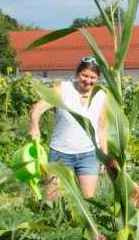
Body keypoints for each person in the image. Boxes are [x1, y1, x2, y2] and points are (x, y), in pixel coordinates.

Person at [29, 57, 110, 199]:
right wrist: (34, 125)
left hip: (89, 154)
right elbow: (38, 107)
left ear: (97, 78)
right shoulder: (64, 89)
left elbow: (101, 129)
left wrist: (105, 155)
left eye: (93, 77)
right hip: (60, 153)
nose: (88, 80)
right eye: (85, 75)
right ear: (78, 73)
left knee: (87, 201)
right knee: (53, 200)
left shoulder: (101, 96)